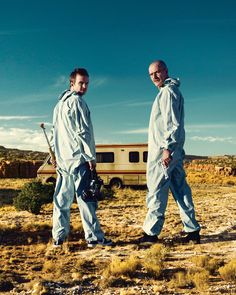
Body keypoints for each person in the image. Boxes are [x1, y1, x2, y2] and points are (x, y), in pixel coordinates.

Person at [49, 68, 112, 248]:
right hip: (78, 159)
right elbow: (83, 132)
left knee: (61, 200)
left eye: (86, 83)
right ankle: (95, 238)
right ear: (72, 83)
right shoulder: (77, 102)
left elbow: (54, 134)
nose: (84, 87)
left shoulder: (58, 105)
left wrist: (53, 155)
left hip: (63, 161)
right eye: (81, 83)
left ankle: (58, 238)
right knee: (86, 199)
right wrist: (91, 158)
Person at [140, 60, 201, 244]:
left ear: (165, 71)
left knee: (157, 189)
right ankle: (192, 231)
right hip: (173, 151)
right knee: (180, 189)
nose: (154, 77)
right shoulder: (170, 91)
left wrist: (167, 148)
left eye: (157, 72)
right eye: (151, 74)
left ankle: (150, 234)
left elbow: (171, 123)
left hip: (165, 152)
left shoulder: (167, 92)